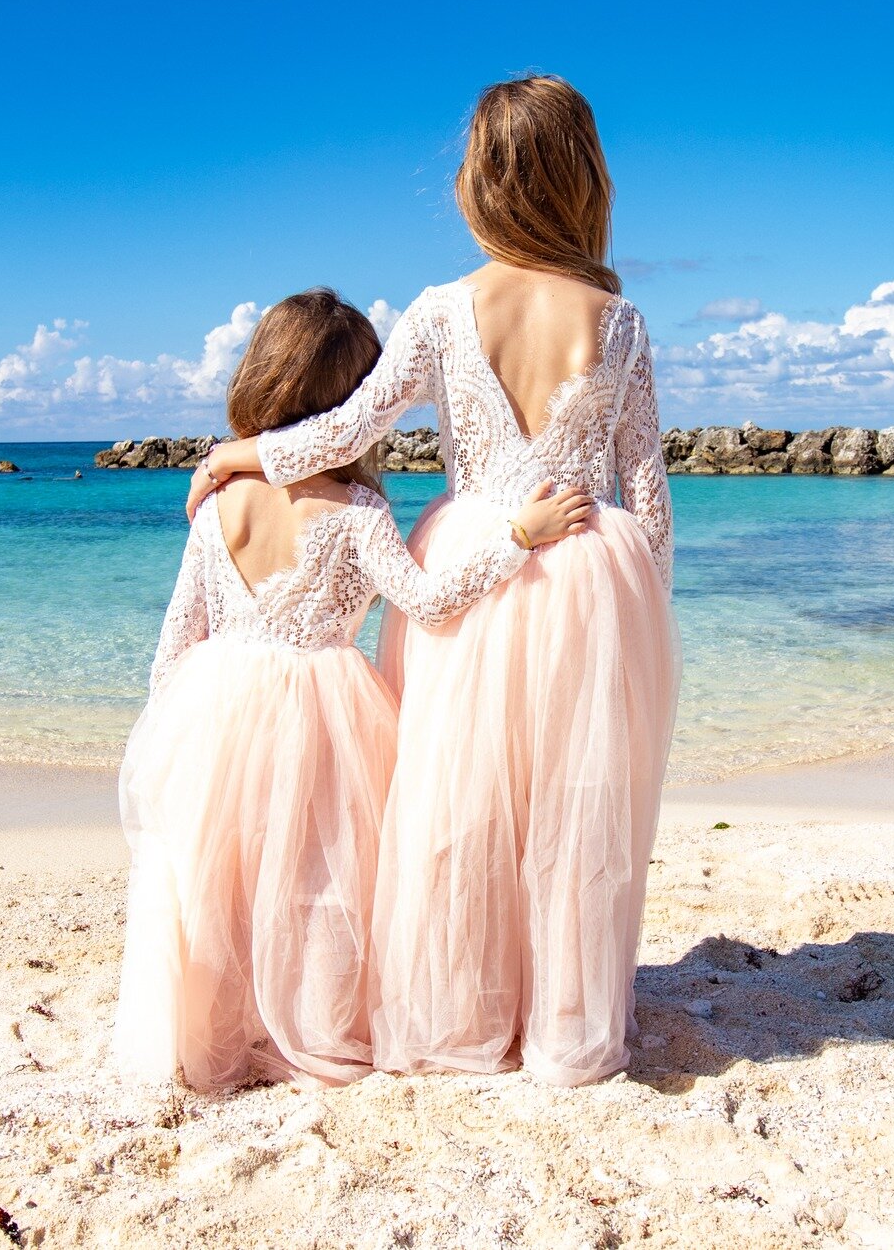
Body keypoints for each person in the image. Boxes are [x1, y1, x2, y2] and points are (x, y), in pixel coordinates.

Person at [187, 77, 678, 1085]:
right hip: (592, 569)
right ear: (581, 178)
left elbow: (345, 432)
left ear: (483, 183)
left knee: (454, 802)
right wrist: (646, 613)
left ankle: (461, 1017)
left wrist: (245, 456)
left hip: (468, 558)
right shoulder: (619, 322)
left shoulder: (444, 309)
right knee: (575, 804)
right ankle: (565, 1027)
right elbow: (648, 494)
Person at [113, 287, 590, 1092]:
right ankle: (313, 1026)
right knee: (319, 881)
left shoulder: (217, 502)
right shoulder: (362, 512)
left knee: (220, 873)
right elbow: (431, 601)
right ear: (353, 404)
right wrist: (517, 536)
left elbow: (173, 648)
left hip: (217, 702)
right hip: (326, 712)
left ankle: (220, 1030)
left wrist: (173, 735)